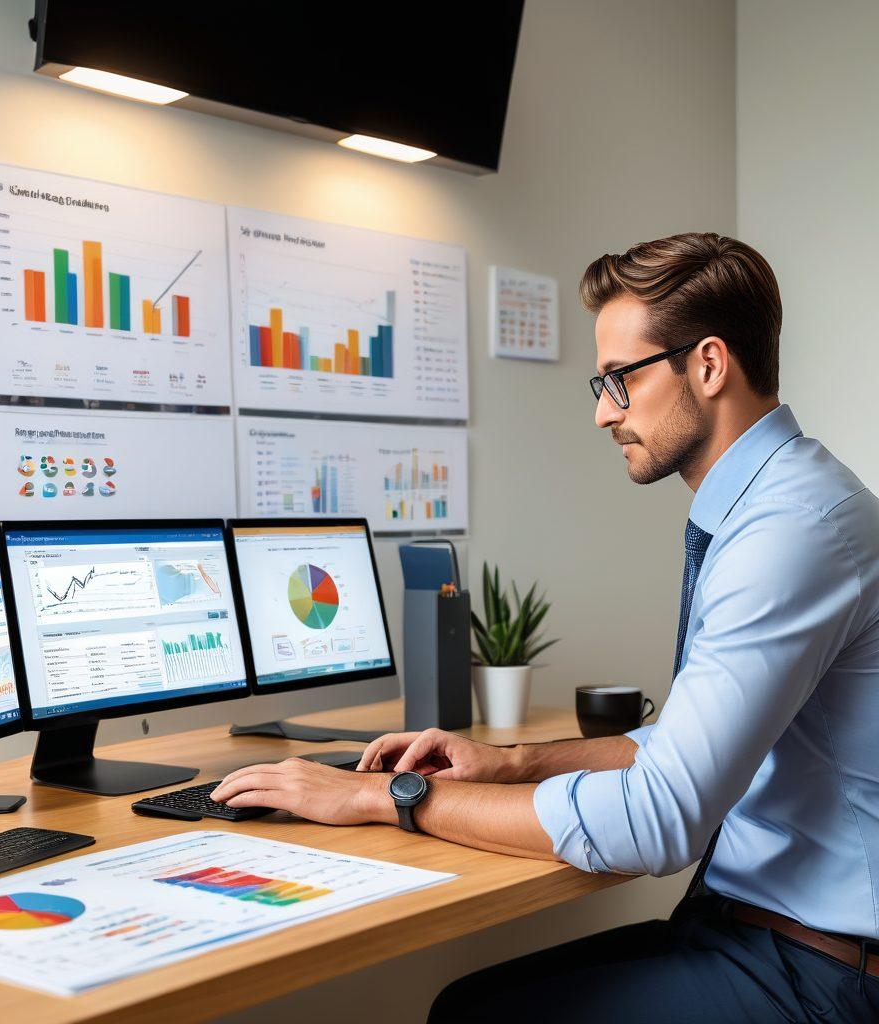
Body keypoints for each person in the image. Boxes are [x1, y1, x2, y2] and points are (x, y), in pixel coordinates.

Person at [212, 233, 879, 1022]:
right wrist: (509, 762)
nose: (603, 413)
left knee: (475, 1015)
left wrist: (385, 797)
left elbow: (659, 821)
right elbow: (681, 753)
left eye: (620, 381)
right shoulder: (776, 506)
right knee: (473, 1001)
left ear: (707, 365)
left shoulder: (791, 532)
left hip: (821, 972)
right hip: (762, 932)